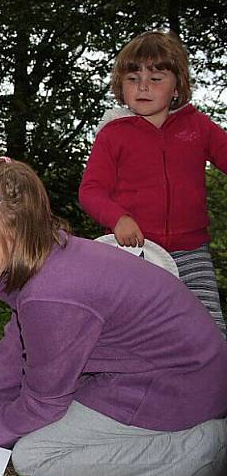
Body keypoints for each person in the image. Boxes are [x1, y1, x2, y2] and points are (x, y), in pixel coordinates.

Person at [0, 157, 227, 476]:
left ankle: (205, 452)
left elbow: (42, 403)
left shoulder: (52, 293)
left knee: (35, 457)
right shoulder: (48, 257)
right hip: (151, 374)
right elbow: (14, 356)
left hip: (181, 386)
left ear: (21, 225)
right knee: (26, 427)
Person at [79, 30, 227, 336]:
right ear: (121, 86)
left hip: (192, 251)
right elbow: (91, 190)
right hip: (135, 251)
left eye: (156, 78)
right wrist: (117, 218)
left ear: (177, 87)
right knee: (135, 330)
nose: (143, 86)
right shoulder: (114, 134)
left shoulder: (197, 126)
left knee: (209, 329)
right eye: (133, 79)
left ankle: (210, 381)